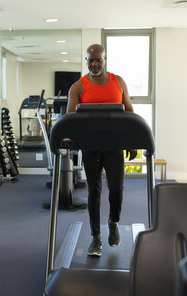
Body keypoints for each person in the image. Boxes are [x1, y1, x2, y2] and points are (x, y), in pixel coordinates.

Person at [66, 43, 137, 257]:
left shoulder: (118, 82)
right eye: (91, 60)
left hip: (114, 146)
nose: (95, 63)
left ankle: (113, 221)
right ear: (86, 60)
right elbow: (70, 120)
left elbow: (129, 113)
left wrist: (131, 142)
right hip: (91, 147)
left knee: (116, 189)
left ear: (105, 59)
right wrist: (71, 144)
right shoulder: (78, 87)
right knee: (93, 192)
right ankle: (95, 238)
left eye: (99, 60)